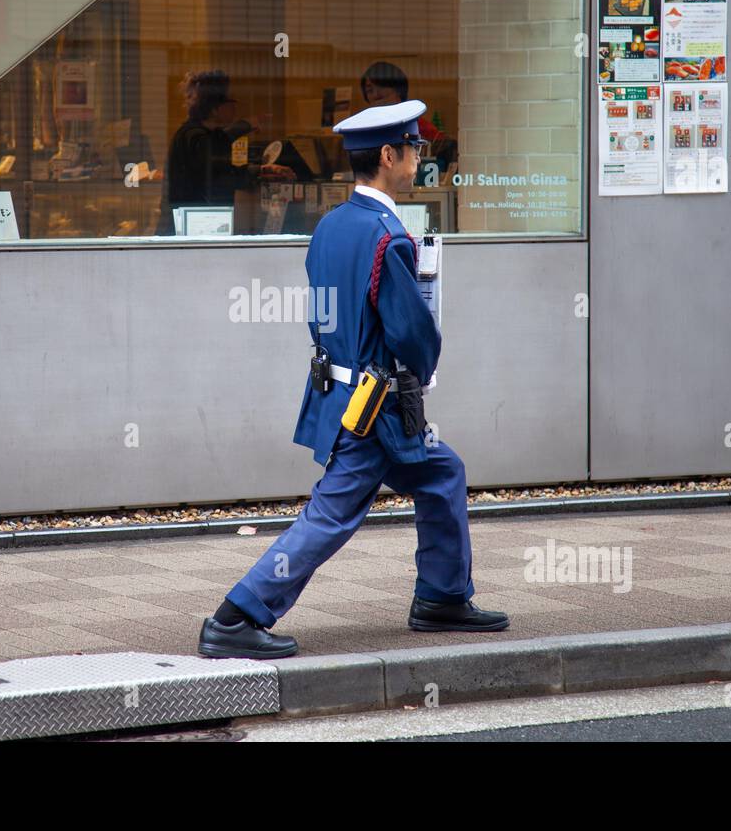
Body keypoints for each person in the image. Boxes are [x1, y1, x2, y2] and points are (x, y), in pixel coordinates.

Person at [197, 100, 510, 659]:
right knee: (332, 514)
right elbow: (412, 331)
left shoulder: (332, 226)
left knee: (442, 472)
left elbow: (322, 313)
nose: (418, 157)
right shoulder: (389, 235)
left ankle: (442, 597)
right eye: (413, 148)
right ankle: (236, 616)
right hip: (376, 409)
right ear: (389, 156)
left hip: (342, 394)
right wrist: (422, 368)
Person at [157, 70, 292, 235]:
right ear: (214, 109)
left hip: (188, 227)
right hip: (190, 229)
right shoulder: (198, 139)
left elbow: (219, 140)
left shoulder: (195, 133)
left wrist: (246, 125)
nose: (236, 106)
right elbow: (221, 175)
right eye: (231, 101)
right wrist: (263, 170)